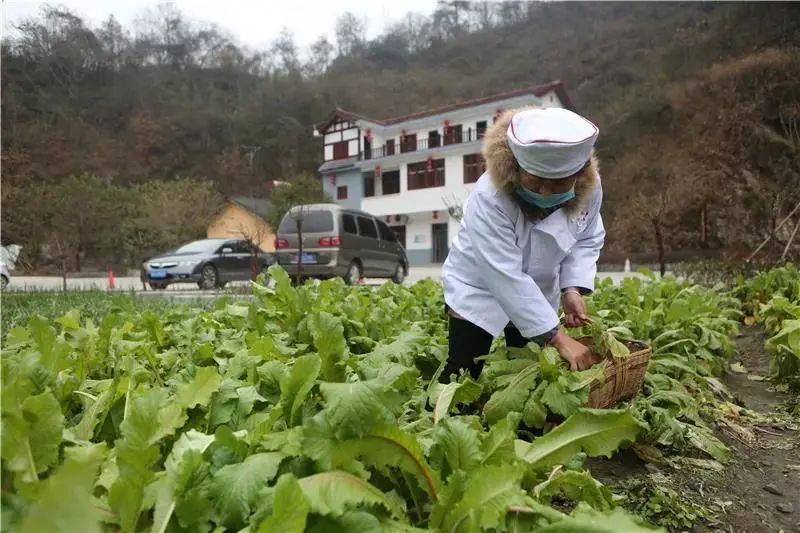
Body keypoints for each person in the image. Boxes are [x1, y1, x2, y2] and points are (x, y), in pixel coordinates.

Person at [441, 106, 604, 382]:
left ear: (579, 172)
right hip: (480, 285)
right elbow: (505, 275)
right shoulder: (489, 198)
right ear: (516, 166)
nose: (545, 192)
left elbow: (586, 238)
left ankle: (521, 424)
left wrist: (572, 287)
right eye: (536, 181)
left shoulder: (590, 188)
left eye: (557, 184)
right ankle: (441, 421)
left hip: (537, 290)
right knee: (463, 372)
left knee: (529, 371)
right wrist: (559, 338)